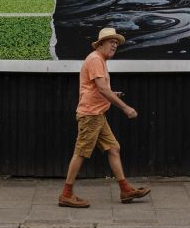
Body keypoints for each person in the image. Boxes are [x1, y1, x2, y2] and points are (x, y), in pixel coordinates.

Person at [58, 27, 151, 208]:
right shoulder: (95, 60)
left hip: (97, 115)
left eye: (117, 43)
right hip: (91, 115)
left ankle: (125, 190)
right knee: (81, 153)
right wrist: (125, 108)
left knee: (113, 149)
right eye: (112, 42)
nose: (115, 45)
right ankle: (66, 194)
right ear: (101, 44)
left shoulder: (99, 60)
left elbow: (96, 88)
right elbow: (101, 88)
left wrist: (111, 94)